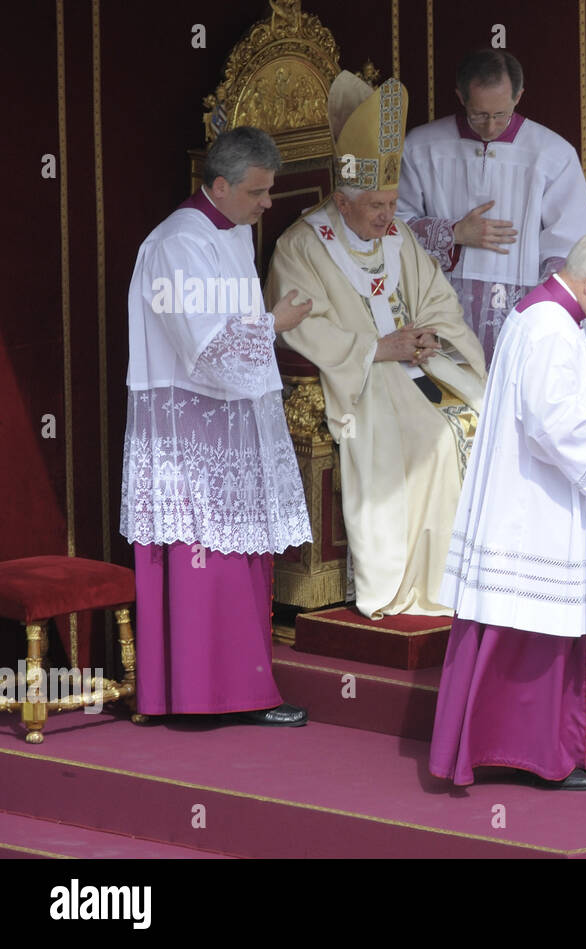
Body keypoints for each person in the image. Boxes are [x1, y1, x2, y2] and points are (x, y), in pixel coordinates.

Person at [430, 229, 586, 790]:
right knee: (542, 628)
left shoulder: (556, 319)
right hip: (537, 506)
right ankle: (543, 754)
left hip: (562, 500)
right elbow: (552, 427)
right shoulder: (547, 329)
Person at [266, 72, 487, 620]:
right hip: (363, 375)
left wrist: (430, 335)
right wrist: (376, 350)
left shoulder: (398, 236)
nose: (388, 218)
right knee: (435, 437)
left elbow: (436, 297)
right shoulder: (299, 246)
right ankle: (421, 579)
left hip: (417, 360)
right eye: (376, 207)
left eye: (391, 203)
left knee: (482, 414)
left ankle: (477, 577)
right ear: (342, 200)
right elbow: (300, 327)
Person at [121, 126, 313, 726]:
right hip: (191, 437)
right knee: (206, 555)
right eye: (258, 192)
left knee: (239, 557)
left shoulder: (229, 233)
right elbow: (204, 349)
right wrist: (274, 324)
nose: (267, 205)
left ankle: (246, 691)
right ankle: (203, 694)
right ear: (221, 184)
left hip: (230, 423)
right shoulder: (178, 243)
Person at [398, 49, 586, 364]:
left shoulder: (552, 154)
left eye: (500, 114)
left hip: (522, 310)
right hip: (440, 309)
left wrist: (544, 317)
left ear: (518, 96)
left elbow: (572, 246)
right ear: (460, 97)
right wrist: (454, 233)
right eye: (479, 114)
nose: (490, 127)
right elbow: (391, 228)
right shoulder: (421, 147)